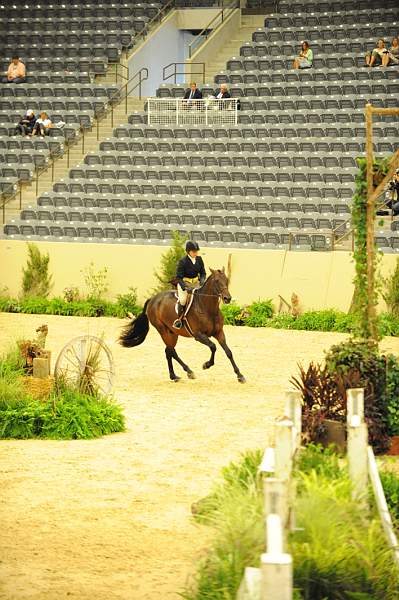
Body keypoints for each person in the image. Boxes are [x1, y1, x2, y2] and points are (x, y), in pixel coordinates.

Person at [173, 240, 206, 329]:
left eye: (196, 251)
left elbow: (203, 273)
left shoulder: (199, 259)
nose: (196, 253)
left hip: (196, 283)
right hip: (185, 283)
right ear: (188, 251)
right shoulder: (183, 261)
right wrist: (185, 288)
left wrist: (202, 280)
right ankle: (179, 320)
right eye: (194, 251)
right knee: (183, 300)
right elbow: (178, 277)